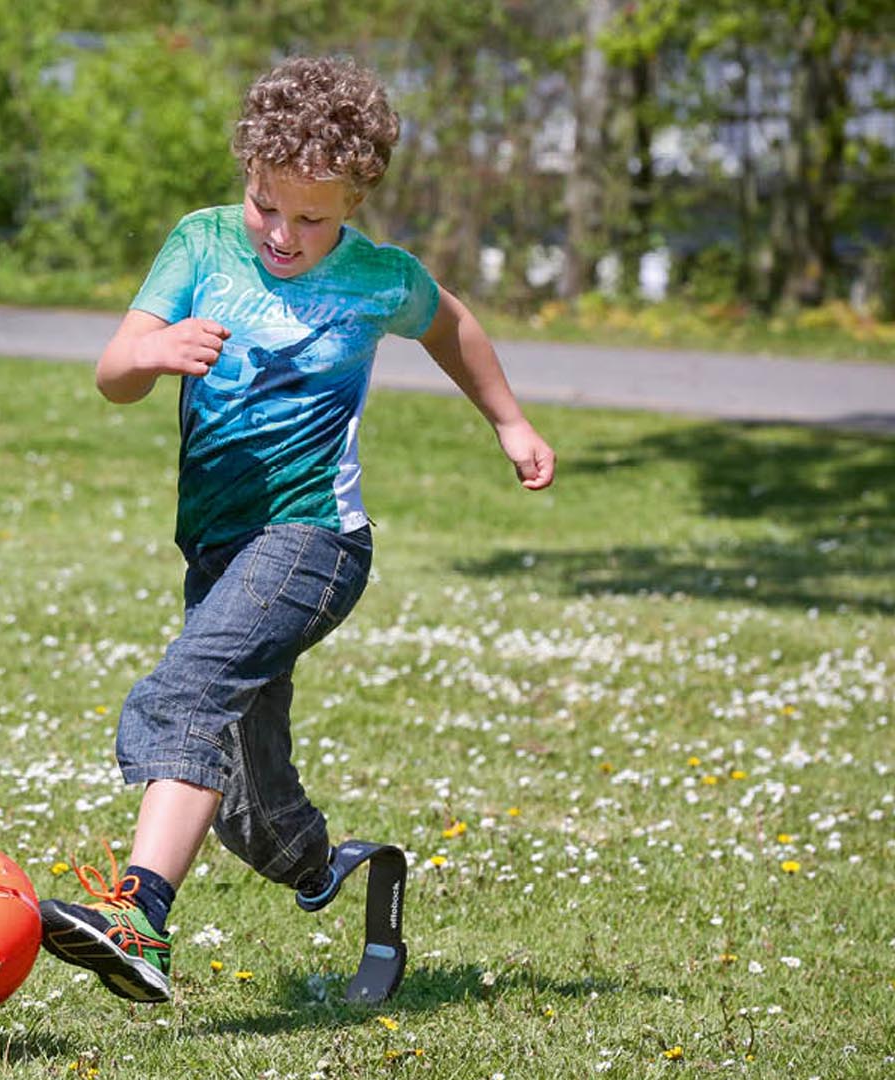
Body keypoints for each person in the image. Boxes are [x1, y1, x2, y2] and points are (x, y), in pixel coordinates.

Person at [37, 54, 556, 1003]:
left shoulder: (375, 279)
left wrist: (508, 419)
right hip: (221, 551)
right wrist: (152, 351)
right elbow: (113, 371)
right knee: (244, 797)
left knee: (184, 694)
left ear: (357, 198)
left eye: (312, 218)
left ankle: (139, 919)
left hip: (315, 542)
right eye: (267, 206)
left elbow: (453, 326)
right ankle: (329, 865)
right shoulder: (199, 244)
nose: (283, 233)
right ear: (249, 173)